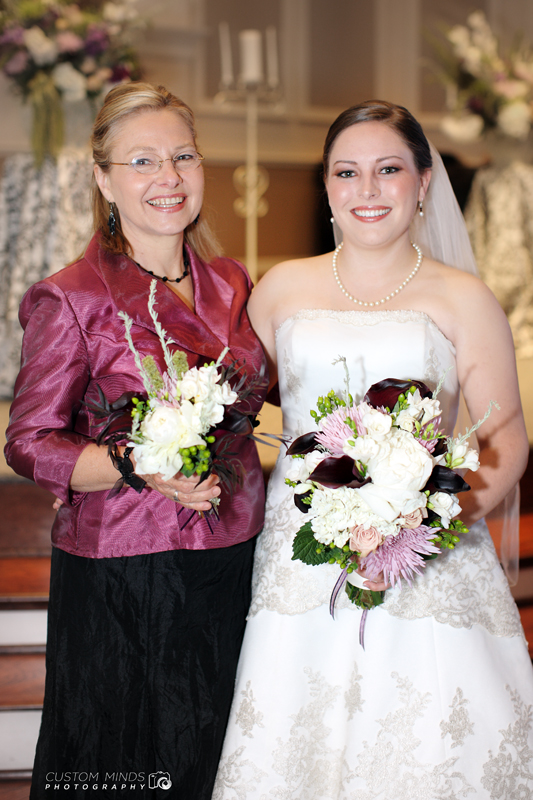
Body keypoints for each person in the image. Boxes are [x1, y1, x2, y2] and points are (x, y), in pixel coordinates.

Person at [212, 101, 533, 798]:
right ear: (326, 186)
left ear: (423, 183)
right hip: (300, 558)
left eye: (388, 170)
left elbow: (505, 435)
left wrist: (422, 528)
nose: (366, 189)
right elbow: (227, 410)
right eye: (346, 172)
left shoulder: (464, 298)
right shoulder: (281, 287)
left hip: (429, 554)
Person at [5, 82, 267, 799]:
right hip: (126, 571)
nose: (169, 177)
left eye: (183, 156)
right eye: (143, 161)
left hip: (234, 554)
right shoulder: (73, 294)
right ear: (103, 179)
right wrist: (132, 463)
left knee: (215, 759)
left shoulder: (232, 282)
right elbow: (30, 441)